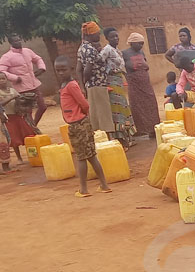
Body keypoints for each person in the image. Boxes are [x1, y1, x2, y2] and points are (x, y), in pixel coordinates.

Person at [54, 56, 112, 197]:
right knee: (91, 156)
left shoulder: (72, 85)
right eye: (58, 70)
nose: (61, 73)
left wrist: (82, 117)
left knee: (82, 157)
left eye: (64, 70)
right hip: (76, 124)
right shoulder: (64, 86)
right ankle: (103, 185)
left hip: (79, 124)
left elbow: (84, 104)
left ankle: (84, 189)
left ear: (71, 69)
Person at [77, 21, 115, 137]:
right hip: (97, 85)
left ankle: (100, 139)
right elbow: (87, 70)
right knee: (103, 114)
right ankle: (107, 140)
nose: (99, 36)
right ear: (90, 34)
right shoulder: (90, 50)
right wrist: (86, 81)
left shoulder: (82, 48)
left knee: (95, 114)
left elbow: (78, 69)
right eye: (97, 34)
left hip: (92, 86)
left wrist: (83, 87)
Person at [100, 27, 137, 148]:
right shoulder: (106, 50)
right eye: (112, 37)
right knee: (117, 111)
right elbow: (99, 63)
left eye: (116, 36)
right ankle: (120, 139)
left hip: (119, 80)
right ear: (107, 38)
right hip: (111, 81)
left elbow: (122, 68)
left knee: (123, 108)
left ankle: (128, 137)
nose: (115, 38)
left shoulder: (117, 51)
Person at [0, 34, 47, 125]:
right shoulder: (7, 57)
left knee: (42, 107)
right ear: (11, 43)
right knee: (27, 111)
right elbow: (1, 70)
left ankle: (33, 125)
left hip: (34, 85)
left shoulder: (27, 51)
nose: (18, 42)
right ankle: (31, 129)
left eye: (19, 40)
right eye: (15, 41)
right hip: (21, 89)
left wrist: (41, 69)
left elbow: (38, 59)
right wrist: (15, 78)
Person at [123, 32, 161, 137]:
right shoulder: (124, 54)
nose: (141, 46)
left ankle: (153, 128)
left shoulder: (141, 52)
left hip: (145, 83)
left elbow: (146, 64)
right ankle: (140, 129)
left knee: (151, 103)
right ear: (132, 43)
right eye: (139, 43)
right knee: (136, 105)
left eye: (142, 43)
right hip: (134, 84)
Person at [0, 72, 34, 165]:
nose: (2, 81)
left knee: (27, 135)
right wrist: (12, 97)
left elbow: (19, 100)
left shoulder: (12, 90)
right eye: (0, 79)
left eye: (3, 78)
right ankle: (19, 158)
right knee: (14, 139)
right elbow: (1, 104)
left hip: (17, 116)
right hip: (7, 118)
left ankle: (32, 156)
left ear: (7, 80)